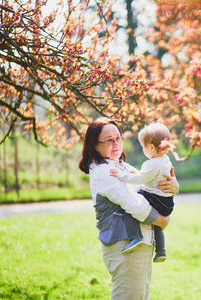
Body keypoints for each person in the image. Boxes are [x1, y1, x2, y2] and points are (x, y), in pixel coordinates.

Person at [78, 117, 179, 299]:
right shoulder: (104, 173)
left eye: (118, 138)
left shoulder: (119, 166)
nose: (116, 143)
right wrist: (163, 220)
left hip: (139, 246)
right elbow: (136, 206)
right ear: (95, 145)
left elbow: (152, 181)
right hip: (125, 248)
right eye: (109, 140)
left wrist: (175, 186)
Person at [110, 122, 175, 263]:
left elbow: (139, 179)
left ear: (151, 147)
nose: (143, 149)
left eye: (142, 146)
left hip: (155, 198)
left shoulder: (151, 163)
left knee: (129, 205)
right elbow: (150, 177)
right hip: (167, 202)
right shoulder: (165, 160)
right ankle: (161, 251)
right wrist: (139, 173)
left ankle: (135, 237)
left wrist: (120, 175)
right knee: (155, 222)